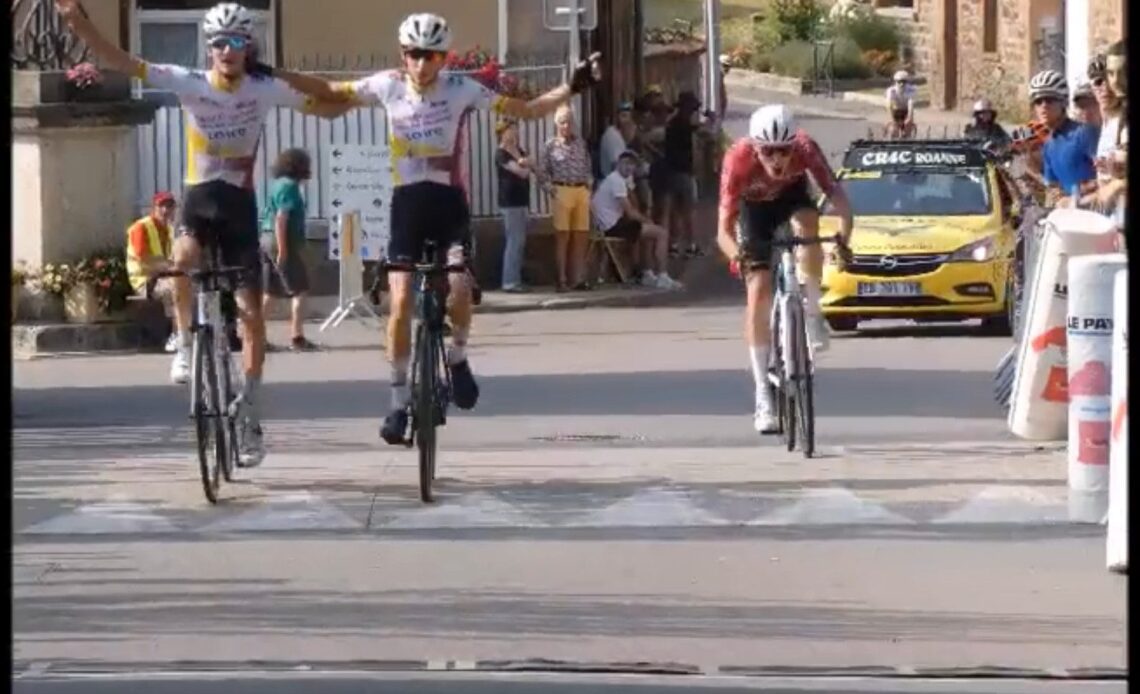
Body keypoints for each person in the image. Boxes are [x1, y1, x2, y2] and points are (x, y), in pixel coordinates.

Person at [268, 12, 602, 446]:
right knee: (401, 300)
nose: (422, 63)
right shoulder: (386, 84)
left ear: (443, 58)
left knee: (459, 287)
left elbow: (525, 109)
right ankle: (397, 402)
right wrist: (272, 73)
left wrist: (570, 88)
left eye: (431, 55)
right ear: (402, 55)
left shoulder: (461, 89)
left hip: (449, 206)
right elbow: (329, 90)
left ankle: (458, 357)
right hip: (407, 205)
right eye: (413, 54)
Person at [55, 0, 349, 467]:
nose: (226, 50)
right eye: (218, 42)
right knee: (183, 259)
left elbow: (333, 106)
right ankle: (187, 346)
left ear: (248, 46)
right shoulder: (188, 81)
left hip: (238, 208)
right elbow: (123, 61)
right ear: (207, 48)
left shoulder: (262, 86)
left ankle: (249, 412)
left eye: (235, 41)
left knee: (252, 315)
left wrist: (289, 77)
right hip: (198, 201)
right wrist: (79, 24)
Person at [717, 105, 854, 434]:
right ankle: (763, 393)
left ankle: (811, 311)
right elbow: (722, 230)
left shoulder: (806, 147)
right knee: (759, 288)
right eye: (768, 152)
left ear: (794, 145)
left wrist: (844, 239)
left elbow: (840, 201)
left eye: (784, 151)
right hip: (753, 212)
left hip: (792, 199)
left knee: (809, 221)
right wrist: (739, 256)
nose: (777, 160)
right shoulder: (738, 158)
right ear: (755, 148)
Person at [591, 151, 681, 290]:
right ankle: (663, 275)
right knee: (661, 233)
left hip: (610, 224)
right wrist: (647, 221)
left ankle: (647, 273)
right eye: (626, 163)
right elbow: (630, 213)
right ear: (618, 164)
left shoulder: (615, 180)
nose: (629, 167)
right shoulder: (616, 181)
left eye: (632, 165)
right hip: (612, 226)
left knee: (648, 234)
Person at [261, 148, 317, 352]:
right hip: (281, 241)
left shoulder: (277, 185)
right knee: (300, 290)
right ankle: (297, 337)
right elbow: (281, 219)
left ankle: (257, 336)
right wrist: (283, 250)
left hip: (266, 239)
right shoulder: (290, 187)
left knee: (271, 291)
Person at [538, 104, 594, 292]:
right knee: (563, 236)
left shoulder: (580, 143)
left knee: (580, 235)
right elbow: (543, 172)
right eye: (563, 122)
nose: (566, 125)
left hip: (580, 190)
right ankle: (561, 279)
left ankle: (577, 277)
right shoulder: (550, 145)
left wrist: (589, 182)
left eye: (569, 121)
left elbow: (587, 165)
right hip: (562, 189)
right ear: (557, 124)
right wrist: (550, 189)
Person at [1030, 70, 1100, 207]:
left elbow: (1109, 178)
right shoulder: (1048, 146)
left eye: (1050, 99)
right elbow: (1053, 187)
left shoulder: (1085, 133)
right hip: (1069, 219)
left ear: (1063, 103)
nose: (1044, 105)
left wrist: (1075, 196)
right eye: (1038, 101)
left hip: (1097, 218)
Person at [126, 192, 179, 351]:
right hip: (144, 280)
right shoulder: (141, 227)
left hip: (163, 277)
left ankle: (190, 331)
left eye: (169, 206)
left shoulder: (169, 230)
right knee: (174, 289)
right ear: (153, 208)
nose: (165, 210)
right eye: (161, 206)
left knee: (190, 287)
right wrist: (169, 266)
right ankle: (177, 334)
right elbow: (143, 260)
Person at [663, 91, 705, 258]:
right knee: (688, 211)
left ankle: (673, 245)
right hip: (685, 172)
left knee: (675, 211)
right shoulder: (686, 125)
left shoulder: (672, 124)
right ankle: (690, 245)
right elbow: (703, 133)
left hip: (671, 171)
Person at [495, 118, 532, 293]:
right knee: (514, 241)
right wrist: (524, 163)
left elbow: (528, 165)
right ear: (502, 132)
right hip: (510, 202)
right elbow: (521, 171)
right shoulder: (501, 153)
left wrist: (523, 159)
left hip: (522, 200)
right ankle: (509, 281)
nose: (514, 132)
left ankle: (516, 279)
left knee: (520, 241)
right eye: (510, 129)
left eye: (515, 129)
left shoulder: (518, 150)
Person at [598, 101, 636, 177]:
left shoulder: (622, 137)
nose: (626, 121)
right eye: (623, 116)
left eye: (628, 117)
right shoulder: (612, 135)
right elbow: (618, 166)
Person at [885, 70, 917, 139]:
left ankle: (907, 138)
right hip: (896, 110)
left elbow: (911, 104)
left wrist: (909, 118)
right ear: (895, 82)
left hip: (906, 110)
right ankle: (892, 138)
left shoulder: (911, 89)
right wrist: (892, 120)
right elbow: (889, 105)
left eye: (904, 82)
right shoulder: (891, 90)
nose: (901, 84)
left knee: (908, 127)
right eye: (899, 82)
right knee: (893, 129)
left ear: (907, 82)